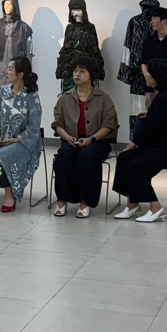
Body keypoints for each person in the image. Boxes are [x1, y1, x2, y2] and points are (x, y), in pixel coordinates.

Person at [113, 58, 167, 222]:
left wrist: (134, 143)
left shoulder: (165, 99)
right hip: (161, 146)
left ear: (158, 77)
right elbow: (158, 120)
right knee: (124, 158)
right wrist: (151, 114)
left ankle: (156, 207)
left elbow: (151, 128)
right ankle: (133, 204)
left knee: (134, 167)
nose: (146, 75)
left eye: (150, 73)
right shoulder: (163, 97)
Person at [0, 56, 43, 212]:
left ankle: (9, 196)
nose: (6, 71)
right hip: (1, 138)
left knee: (3, 156)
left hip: (23, 142)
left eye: (10, 69)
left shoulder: (31, 96)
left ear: (20, 75)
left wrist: (16, 140)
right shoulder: (4, 91)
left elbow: (34, 126)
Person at [51, 55, 119, 217]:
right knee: (64, 155)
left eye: (82, 71)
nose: (77, 74)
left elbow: (109, 125)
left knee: (87, 156)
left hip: (98, 141)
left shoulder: (104, 98)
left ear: (91, 75)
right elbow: (57, 124)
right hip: (72, 140)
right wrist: (67, 137)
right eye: (75, 71)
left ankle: (85, 201)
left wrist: (92, 139)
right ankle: (62, 199)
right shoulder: (65, 98)